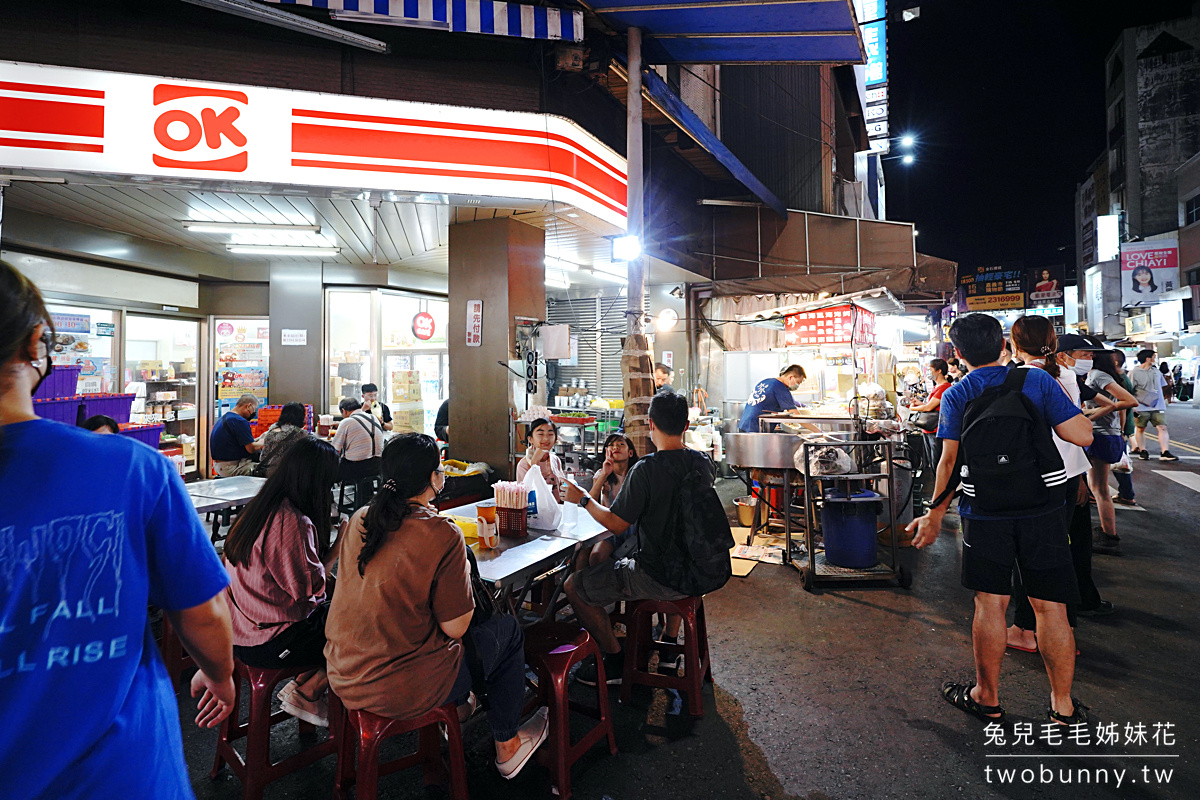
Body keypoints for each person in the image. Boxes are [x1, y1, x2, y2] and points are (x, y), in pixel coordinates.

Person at [0, 259, 236, 798]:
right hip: (120, 773)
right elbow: (202, 613)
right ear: (36, 343)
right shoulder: (130, 467)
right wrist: (218, 675)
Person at [325, 434, 550, 779]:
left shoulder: (362, 519)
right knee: (506, 631)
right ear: (433, 479)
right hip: (402, 689)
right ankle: (507, 746)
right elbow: (455, 628)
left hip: (343, 673)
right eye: (439, 469)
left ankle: (459, 710)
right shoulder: (443, 532)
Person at [907, 313, 1093, 726]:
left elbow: (949, 461)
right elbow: (1081, 436)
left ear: (958, 353)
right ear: (1003, 345)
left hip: (984, 511)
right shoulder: (1038, 381)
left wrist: (933, 515)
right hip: (1042, 508)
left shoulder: (957, 394)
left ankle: (987, 697)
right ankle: (1063, 706)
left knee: (990, 604)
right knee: (1050, 608)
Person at [564, 392, 717, 685]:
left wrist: (583, 499)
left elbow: (617, 524)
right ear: (686, 425)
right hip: (704, 571)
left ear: (651, 425)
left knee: (574, 586)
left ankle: (615, 658)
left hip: (659, 577)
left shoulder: (645, 470)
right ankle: (669, 644)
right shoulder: (703, 463)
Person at [1005, 321, 1114, 656]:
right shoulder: (1064, 374)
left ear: (1014, 343)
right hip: (1069, 474)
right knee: (1062, 554)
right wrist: (1080, 476)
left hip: (1042, 478)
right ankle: (1064, 628)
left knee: (1032, 557)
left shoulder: (1024, 377)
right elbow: (1074, 431)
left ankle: (1026, 628)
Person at [225, 437, 342, 726]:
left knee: (342, 611)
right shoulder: (290, 522)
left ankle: (306, 679)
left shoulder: (258, 508)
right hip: (269, 642)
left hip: (238, 631)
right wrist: (341, 545)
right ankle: (310, 691)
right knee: (363, 626)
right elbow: (309, 591)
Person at [1079, 343, 1138, 555]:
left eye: (1084, 354)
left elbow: (1129, 401)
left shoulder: (1097, 375)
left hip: (1101, 436)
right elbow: (1116, 408)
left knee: (1100, 489)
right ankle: (1106, 531)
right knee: (1098, 488)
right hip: (1108, 435)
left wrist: (1090, 416)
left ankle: (1109, 535)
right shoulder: (1101, 374)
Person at [1130, 349, 1177, 461]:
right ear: (1148, 358)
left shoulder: (1156, 372)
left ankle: (1165, 451)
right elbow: (1129, 389)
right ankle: (1143, 450)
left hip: (1157, 405)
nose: (1154, 359)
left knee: (1162, 427)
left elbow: (1161, 386)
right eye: (1153, 357)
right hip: (1140, 406)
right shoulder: (1134, 372)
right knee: (1140, 428)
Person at [331, 396, 386, 485]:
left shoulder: (346, 422)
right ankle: (365, 495)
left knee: (327, 468)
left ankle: (327, 496)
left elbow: (334, 450)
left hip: (355, 469)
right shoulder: (374, 418)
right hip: (377, 466)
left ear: (344, 411)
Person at [737, 364, 806, 432]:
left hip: (743, 425)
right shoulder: (780, 387)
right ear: (791, 377)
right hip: (755, 429)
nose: (797, 386)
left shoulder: (767, 381)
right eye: (798, 382)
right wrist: (815, 431)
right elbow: (795, 415)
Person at [909, 358, 951, 469]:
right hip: (928, 429)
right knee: (932, 461)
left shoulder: (944, 388)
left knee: (936, 463)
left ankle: (941, 485)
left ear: (939, 371)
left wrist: (912, 408)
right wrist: (917, 403)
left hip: (935, 430)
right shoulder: (936, 387)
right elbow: (930, 404)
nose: (928, 372)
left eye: (930, 369)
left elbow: (928, 408)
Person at [253, 401, 311, 478]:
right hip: (287, 474)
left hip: (268, 473)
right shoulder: (300, 434)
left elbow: (263, 457)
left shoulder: (271, 430)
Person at [211, 393, 263, 477]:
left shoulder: (225, 418)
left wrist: (258, 440)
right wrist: (264, 441)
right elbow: (251, 449)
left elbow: (242, 442)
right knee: (269, 470)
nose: (254, 413)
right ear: (248, 406)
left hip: (219, 466)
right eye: (254, 409)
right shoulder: (239, 421)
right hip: (232, 467)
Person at [1110, 349, 1138, 506]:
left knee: (1120, 462)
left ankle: (1127, 494)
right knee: (1119, 461)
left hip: (1120, 428)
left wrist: (1119, 431)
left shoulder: (1119, 379)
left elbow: (1120, 408)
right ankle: (1126, 493)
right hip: (1122, 427)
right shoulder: (1121, 378)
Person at [516, 418, 566, 499]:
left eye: (550, 434)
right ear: (530, 439)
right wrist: (534, 462)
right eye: (540, 434)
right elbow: (525, 495)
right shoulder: (524, 465)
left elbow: (563, 488)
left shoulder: (555, 460)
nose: (546, 438)